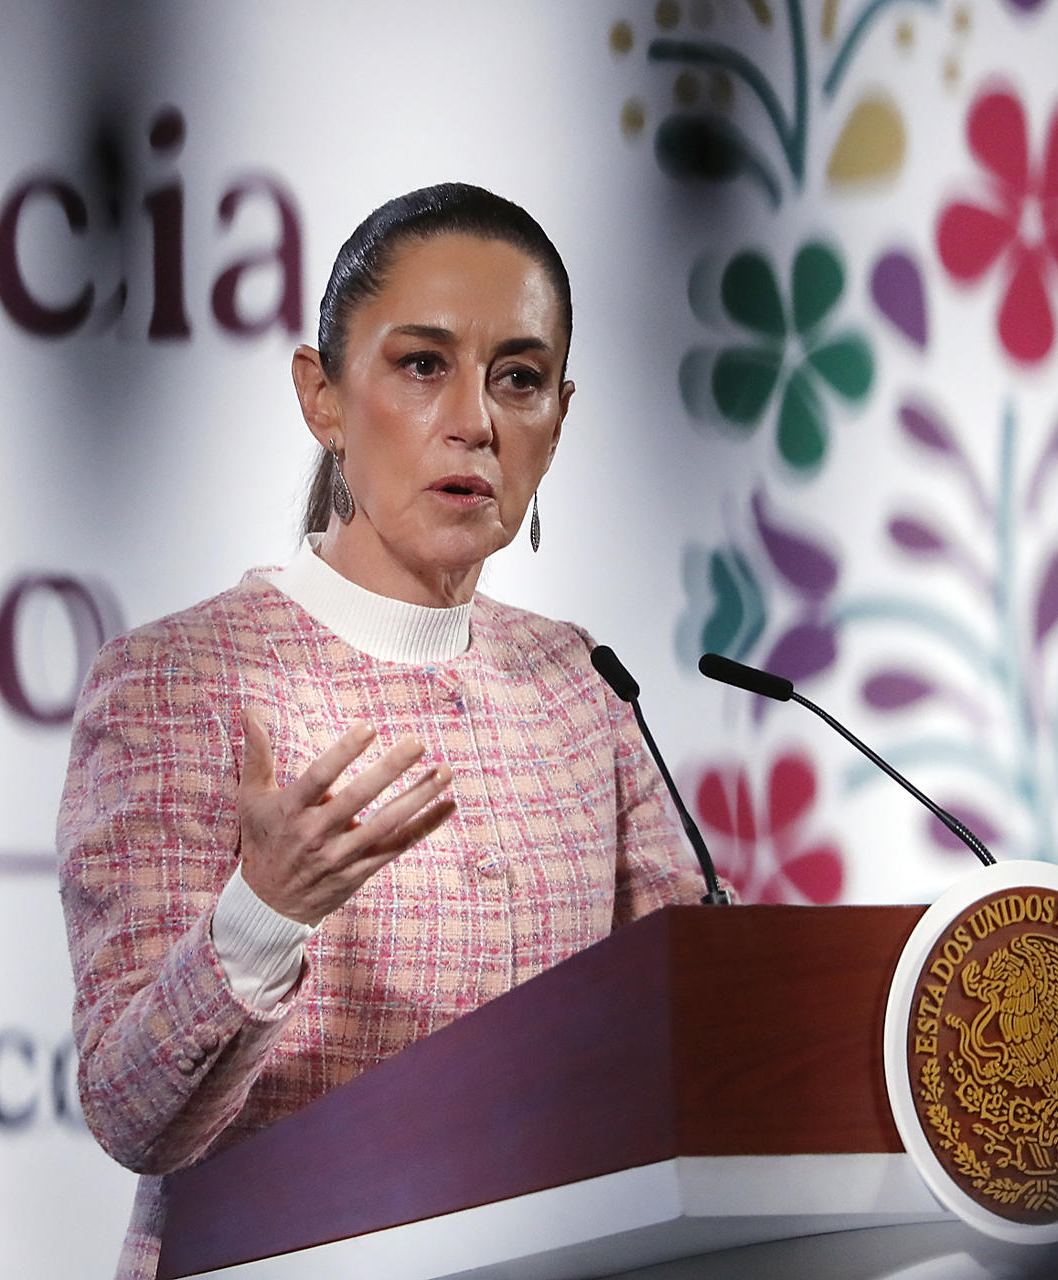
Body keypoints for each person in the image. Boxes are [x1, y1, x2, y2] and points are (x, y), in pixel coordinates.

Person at [55, 182, 711, 1280]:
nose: (475, 420)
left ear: (559, 414)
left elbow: (694, 1012)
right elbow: (132, 1111)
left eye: (519, 377)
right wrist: (263, 913)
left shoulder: (578, 682)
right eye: (421, 365)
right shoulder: (175, 680)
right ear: (322, 395)